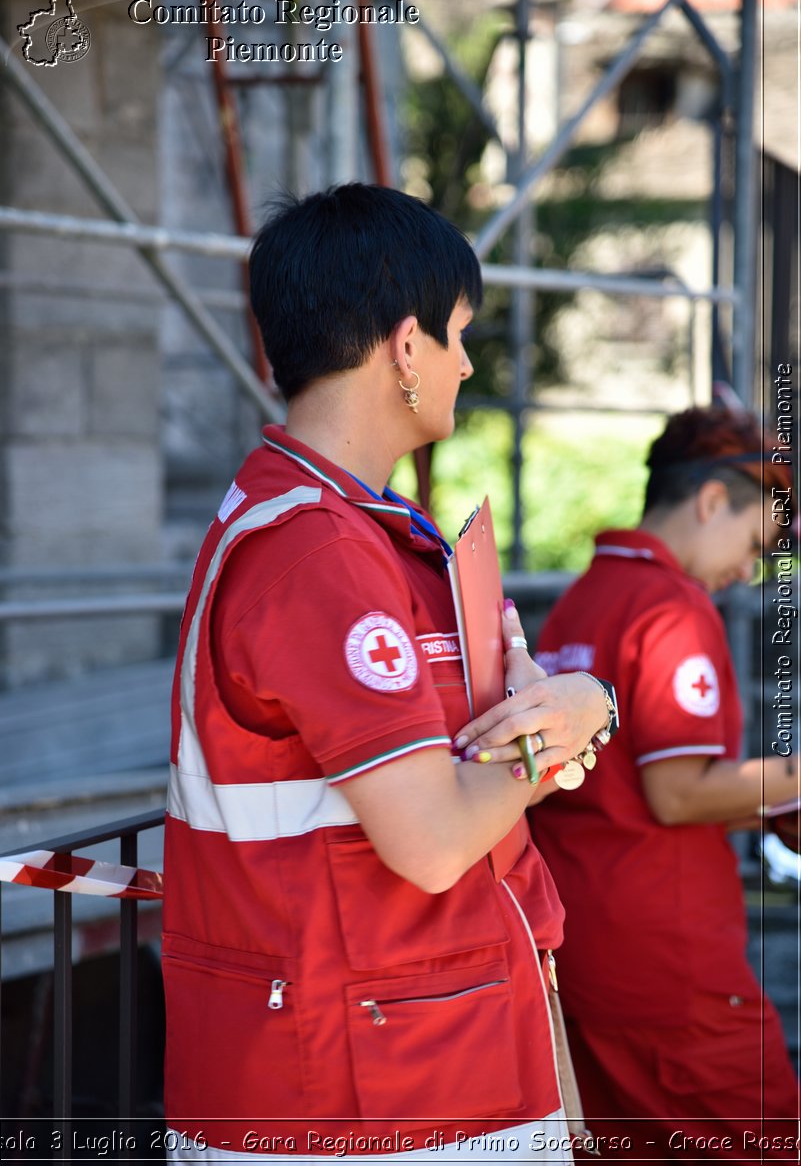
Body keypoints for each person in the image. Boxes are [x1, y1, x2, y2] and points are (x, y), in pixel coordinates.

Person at [160, 183, 617, 1163]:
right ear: (405, 349)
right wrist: (577, 715)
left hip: (417, 1060)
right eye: (457, 336)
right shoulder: (317, 555)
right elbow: (434, 838)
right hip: (365, 1099)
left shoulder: (358, 532)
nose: (463, 364)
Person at [525, 407, 800, 1160]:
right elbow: (675, 793)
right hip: (670, 971)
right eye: (753, 546)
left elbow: (610, 790)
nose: (746, 572)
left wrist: (765, 801)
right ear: (711, 502)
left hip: (584, 948)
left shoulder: (580, 601)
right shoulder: (671, 606)